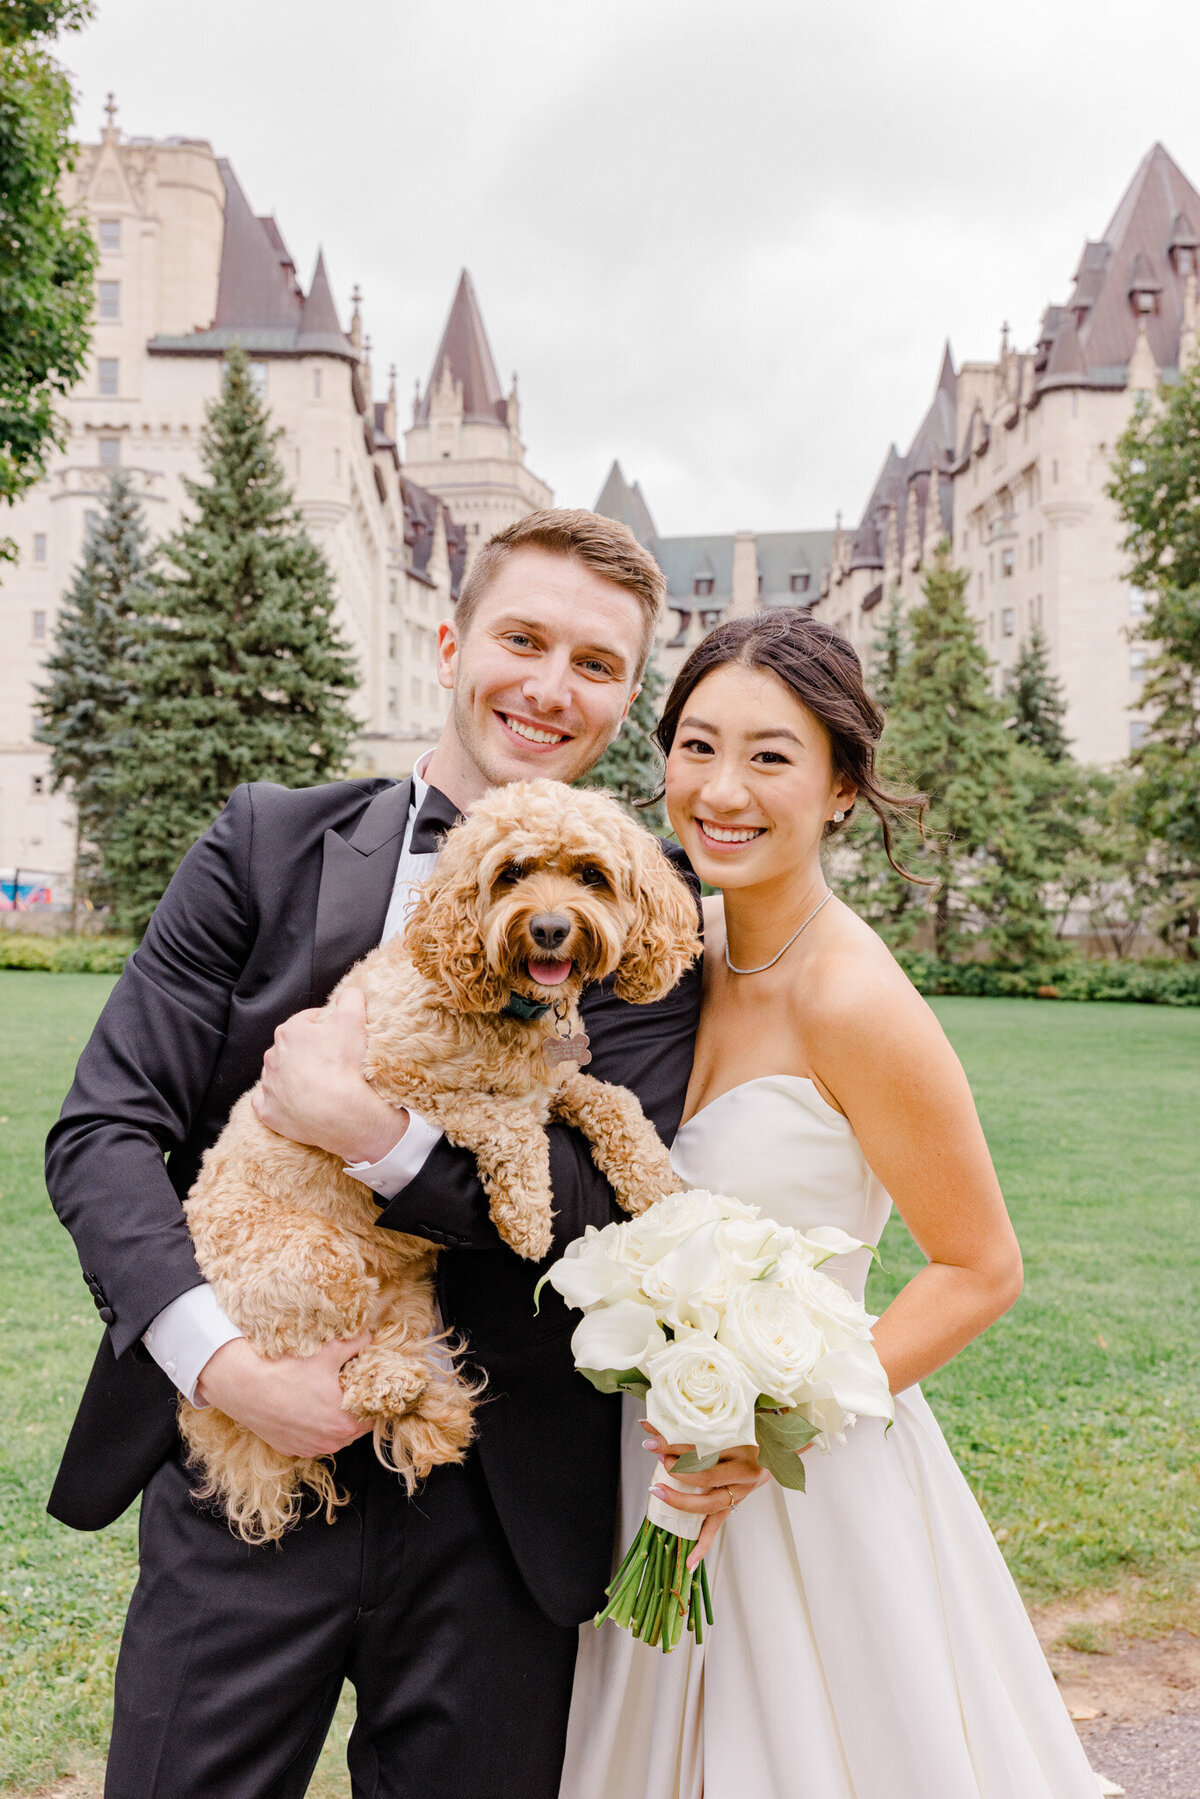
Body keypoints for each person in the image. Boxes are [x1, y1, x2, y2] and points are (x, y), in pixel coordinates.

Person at [45, 509, 703, 1799]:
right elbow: (105, 1129)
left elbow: (594, 1214)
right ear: (452, 639)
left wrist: (372, 1132)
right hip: (245, 1442)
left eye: (595, 663)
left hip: (503, 1504)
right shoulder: (263, 840)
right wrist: (226, 1363)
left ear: (626, 697)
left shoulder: (631, 907)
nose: (548, 687)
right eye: (523, 638)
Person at [560, 608, 1103, 1799]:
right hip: (649, 1467)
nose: (722, 788)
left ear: (843, 786)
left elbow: (981, 1264)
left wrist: (772, 1422)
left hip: (809, 1480)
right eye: (697, 746)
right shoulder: (665, 949)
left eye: (770, 754)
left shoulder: (853, 996)